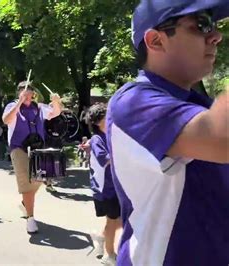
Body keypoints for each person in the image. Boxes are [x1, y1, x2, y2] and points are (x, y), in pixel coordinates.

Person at [107, 1, 229, 265]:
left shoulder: (199, 105)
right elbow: (222, 139)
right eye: (202, 24)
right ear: (155, 40)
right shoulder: (133, 101)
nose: (216, 35)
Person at [2, 81, 62, 233]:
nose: (27, 93)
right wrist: (19, 103)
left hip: (37, 148)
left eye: (30, 91)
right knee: (28, 184)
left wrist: (56, 102)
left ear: (33, 94)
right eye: (24, 90)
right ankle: (30, 218)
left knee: (39, 180)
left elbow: (56, 113)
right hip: (19, 148)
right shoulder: (12, 106)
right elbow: (6, 120)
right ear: (19, 93)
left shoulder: (39, 107)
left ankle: (25, 203)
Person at [85, 103, 121, 265]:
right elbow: (104, 159)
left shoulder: (113, 134)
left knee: (121, 219)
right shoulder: (97, 139)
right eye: (108, 116)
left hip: (117, 186)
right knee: (112, 221)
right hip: (105, 188)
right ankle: (109, 254)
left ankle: (101, 238)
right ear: (99, 121)